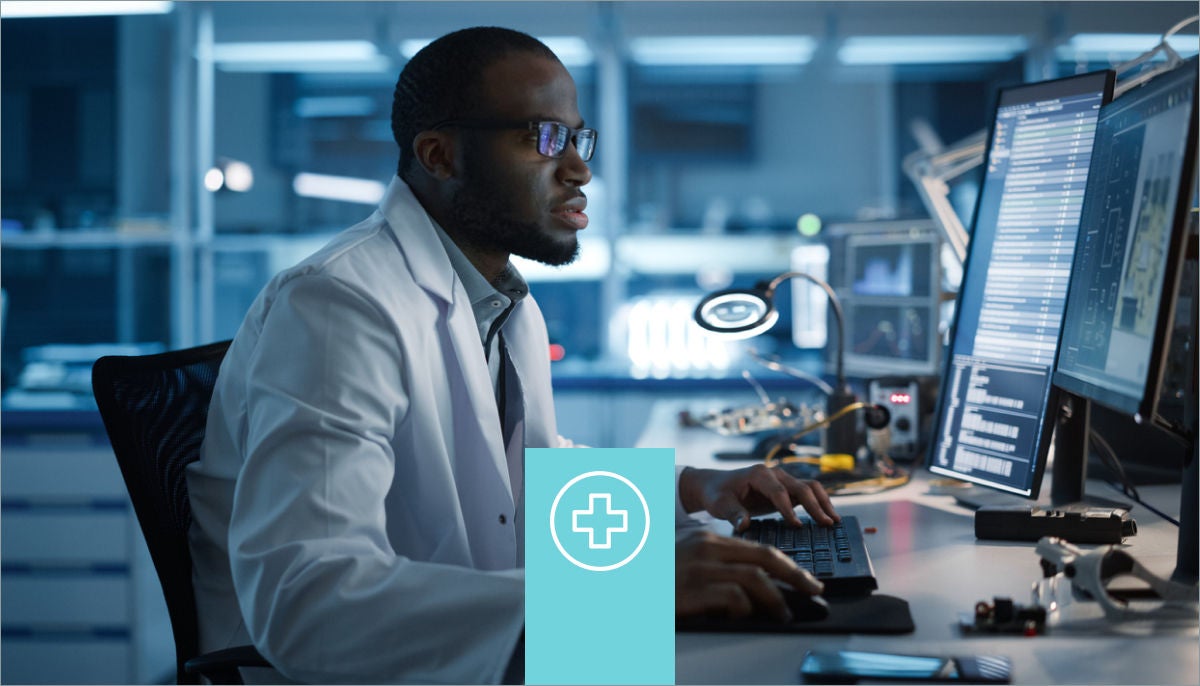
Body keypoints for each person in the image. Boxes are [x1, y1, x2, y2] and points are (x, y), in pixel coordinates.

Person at [187, 26, 838, 684]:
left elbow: (528, 478)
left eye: (577, 138)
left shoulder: (505, 302)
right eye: (541, 137)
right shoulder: (336, 306)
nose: (581, 169)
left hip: (487, 655)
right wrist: (620, 594)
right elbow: (306, 600)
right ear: (440, 155)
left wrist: (693, 487)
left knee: (755, 658)